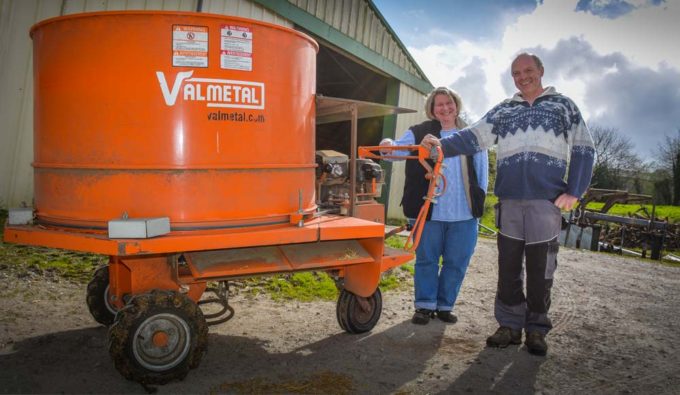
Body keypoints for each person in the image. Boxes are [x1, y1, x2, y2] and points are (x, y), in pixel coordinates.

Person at [422, 53, 595, 356]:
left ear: (541, 71)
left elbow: (584, 147)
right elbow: (473, 137)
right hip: (510, 200)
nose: (522, 76)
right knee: (508, 269)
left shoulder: (563, 106)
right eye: (516, 72)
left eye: (528, 70)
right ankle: (510, 326)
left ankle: (537, 330)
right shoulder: (505, 109)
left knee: (542, 270)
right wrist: (441, 146)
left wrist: (575, 191)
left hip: (545, 202)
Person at [381, 87, 488, 325]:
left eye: (449, 103)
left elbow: (481, 175)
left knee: (457, 261)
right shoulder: (419, 132)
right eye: (439, 104)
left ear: (456, 105)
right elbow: (394, 152)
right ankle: (424, 306)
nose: (445, 108)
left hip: (464, 212)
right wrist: (387, 143)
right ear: (432, 108)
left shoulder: (471, 135)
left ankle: (444, 306)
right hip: (428, 210)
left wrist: (478, 208)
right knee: (427, 258)